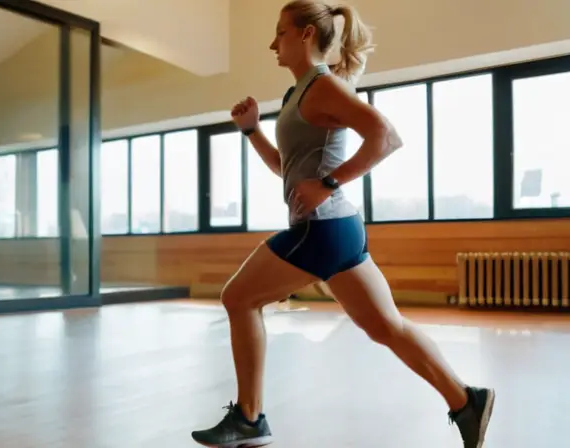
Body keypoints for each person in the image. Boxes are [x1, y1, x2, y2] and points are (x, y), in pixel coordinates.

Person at [190, 1, 495, 447]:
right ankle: (466, 400)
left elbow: (385, 136)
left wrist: (330, 183)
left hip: (322, 229)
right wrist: (253, 130)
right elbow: (287, 169)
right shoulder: (299, 94)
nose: (273, 43)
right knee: (386, 327)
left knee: (238, 297)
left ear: (306, 35)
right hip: (340, 228)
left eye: (280, 32)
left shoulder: (322, 87)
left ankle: (250, 419)